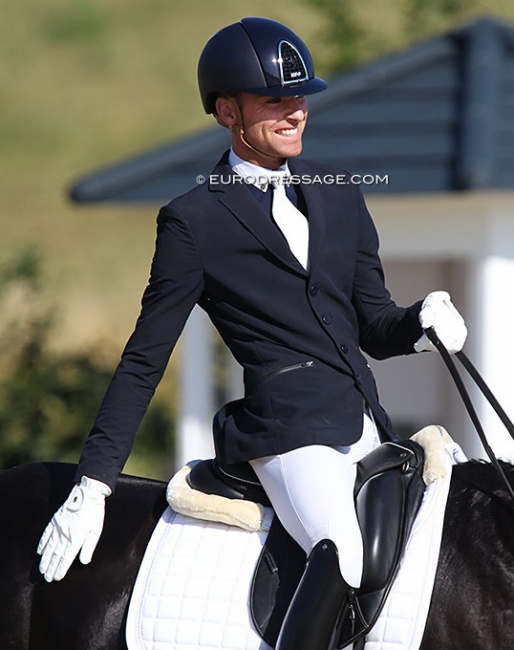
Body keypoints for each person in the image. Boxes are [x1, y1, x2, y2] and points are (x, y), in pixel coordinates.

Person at [37, 17, 467, 650]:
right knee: (342, 551)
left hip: (366, 421)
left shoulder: (338, 192)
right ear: (227, 112)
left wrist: (420, 322)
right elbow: (144, 358)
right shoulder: (194, 219)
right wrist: (95, 481)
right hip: (288, 433)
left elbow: (373, 324)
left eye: (299, 98)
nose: (295, 113)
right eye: (275, 101)